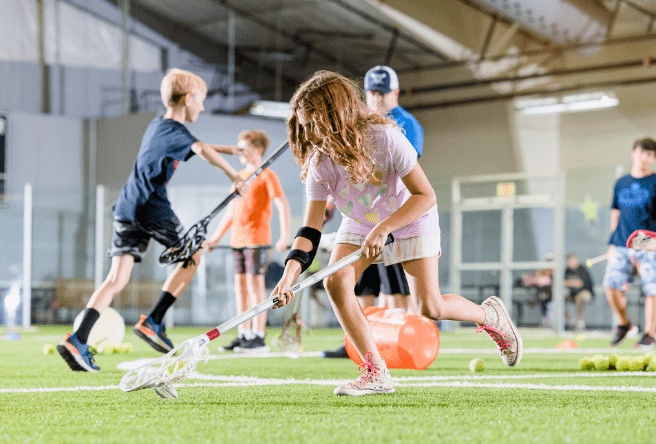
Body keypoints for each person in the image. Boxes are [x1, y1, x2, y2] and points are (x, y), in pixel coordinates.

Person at [271, 70, 522, 396]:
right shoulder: (319, 163)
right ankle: (375, 372)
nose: (306, 133)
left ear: (334, 116)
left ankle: (489, 315)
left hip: (410, 215)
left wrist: (385, 227)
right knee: (336, 281)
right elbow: (310, 228)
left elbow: (425, 195)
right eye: (301, 125)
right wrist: (290, 274)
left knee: (429, 307)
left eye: (312, 123)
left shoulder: (385, 138)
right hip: (361, 221)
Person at [57, 69, 247, 372]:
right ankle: (154, 321)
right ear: (187, 99)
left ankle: (77, 339)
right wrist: (234, 174)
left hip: (127, 205)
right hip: (151, 207)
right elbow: (197, 147)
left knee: (116, 279)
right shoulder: (179, 132)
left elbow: (194, 145)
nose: (202, 106)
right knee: (193, 257)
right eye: (201, 100)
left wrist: (229, 150)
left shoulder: (158, 126)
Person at [322, 65, 423, 359]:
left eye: (383, 92)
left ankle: (400, 344)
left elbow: (400, 173)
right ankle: (356, 344)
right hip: (361, 217)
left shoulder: (406, 125)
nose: (378, 98)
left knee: (395, 288)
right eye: (373, 92)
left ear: (396, 92)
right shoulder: (357, 124)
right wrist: (330, 205)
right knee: (360, 284)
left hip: (393, 218)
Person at [203, 130, 291, 353]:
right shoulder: (239, 176)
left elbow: (282, 205)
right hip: (237, 241)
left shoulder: (267, 175)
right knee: (240, 288)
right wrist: (214, 238)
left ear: (258, 150)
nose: (240, 152)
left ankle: (258, 336)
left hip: (257, 240)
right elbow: (231, 211)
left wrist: (284, 236)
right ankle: (244, 334)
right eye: (238, 147)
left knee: (255, 287)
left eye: (245, 148)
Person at [605, 138, 656, 349]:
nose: (648, 158)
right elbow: (615, 214)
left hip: (649, 244)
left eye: (652, 155)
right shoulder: (621, 182)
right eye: (645, 152)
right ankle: (624, 324)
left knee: (652, 289)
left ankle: (649, 334)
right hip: (620, 244)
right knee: (611, 286)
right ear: (634, 153)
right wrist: (611, 244)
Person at [564, 252, 594, 331]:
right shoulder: (567, 270)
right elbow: (562, 282)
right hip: (572, 293)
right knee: (560, 299)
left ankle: (580, 323)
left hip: (585, 293)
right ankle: (571, 322)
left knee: (580, 297)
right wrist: (572, 283)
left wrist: (569, 283)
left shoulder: (582, 269)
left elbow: (580, 283)